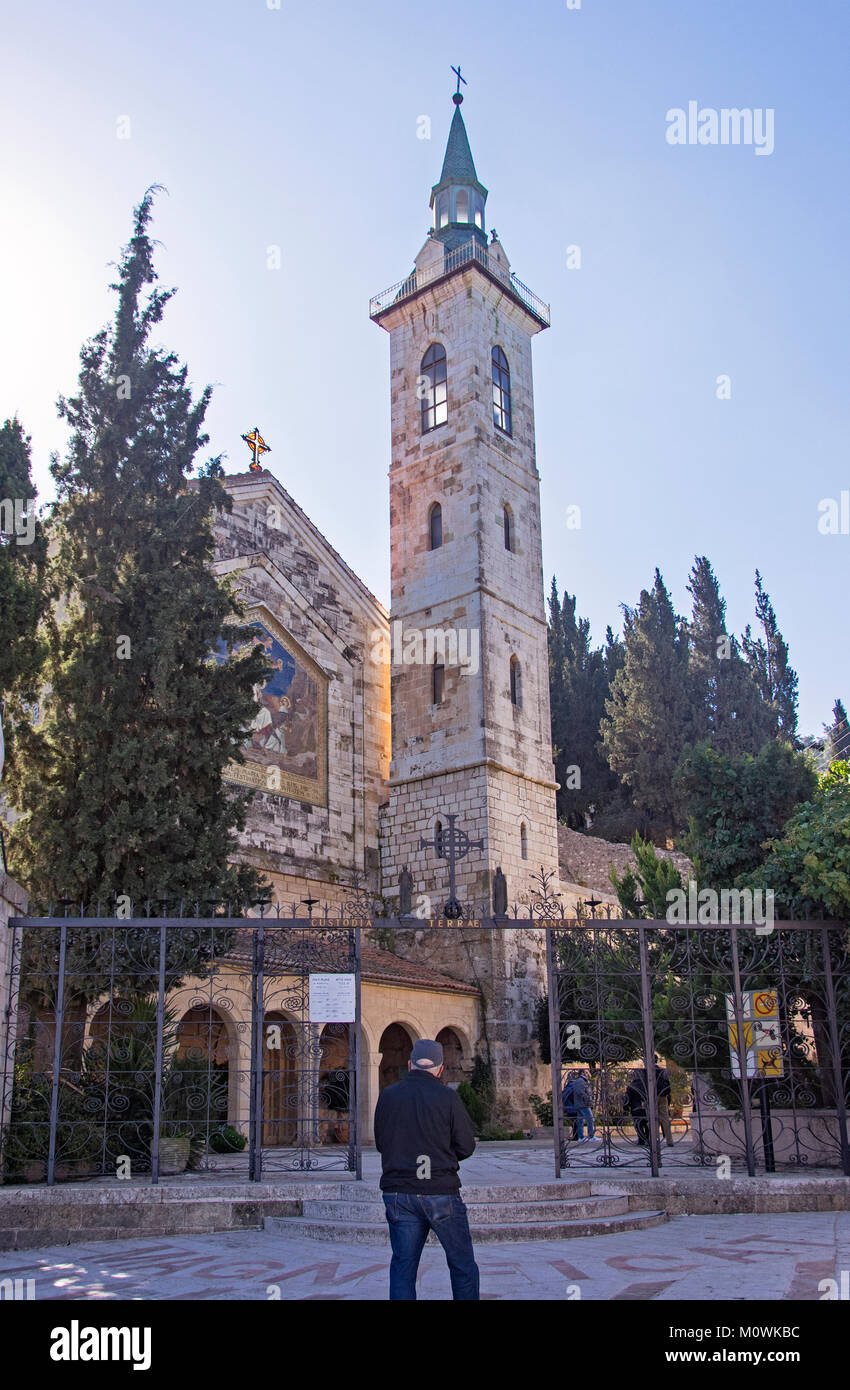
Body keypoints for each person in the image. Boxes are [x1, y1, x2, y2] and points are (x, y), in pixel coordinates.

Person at [373, 1038, 479, 1301]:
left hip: (398, 1193)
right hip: (440, 1192)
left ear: (410, 1065)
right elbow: (466, 1145)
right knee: (462, 1265)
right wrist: (441, 1158)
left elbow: (381, 1143)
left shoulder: (388, 1096)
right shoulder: (448, 1098)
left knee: (403, 1267)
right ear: (440, 1069)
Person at [624, 1069, 650, 1147]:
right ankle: (648, 1139)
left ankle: (641, 1140)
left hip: (635, 1108)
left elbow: (628, 1098)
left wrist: (625, 1107)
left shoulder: (631, 1086)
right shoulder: (646, 1084)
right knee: (647, 1124)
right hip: (646, 1107)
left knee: (638, 1125)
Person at [654, 1055, 675, 1148]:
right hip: (663, 1096)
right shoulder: (661, 1071)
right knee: (665, 1118)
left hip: (652, 1097)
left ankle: (654, 1140)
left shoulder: (646, 1071)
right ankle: (669, 1141)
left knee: (653, 1119)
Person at [571, 1071, 597, 1142]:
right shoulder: (581, 1081)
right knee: (590, 1119)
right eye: (586, 1072)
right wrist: (587, 1099)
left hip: (580, 1104)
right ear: (583, 1073)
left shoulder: (582, 1081)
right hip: (583, 1104)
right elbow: (580, 1092)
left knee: (581, 1120)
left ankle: (581, 1137)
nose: (588, 1074)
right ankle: (591, 1136)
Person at [562, 1072, 580, 1141]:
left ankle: (575, 1136)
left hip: (568, 1108)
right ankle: (577, 1136)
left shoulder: (568, 1087)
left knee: (574, 1123)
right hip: (574, 1107)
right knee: (576, 1123)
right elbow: (573, 1097)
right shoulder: (573, 1087)